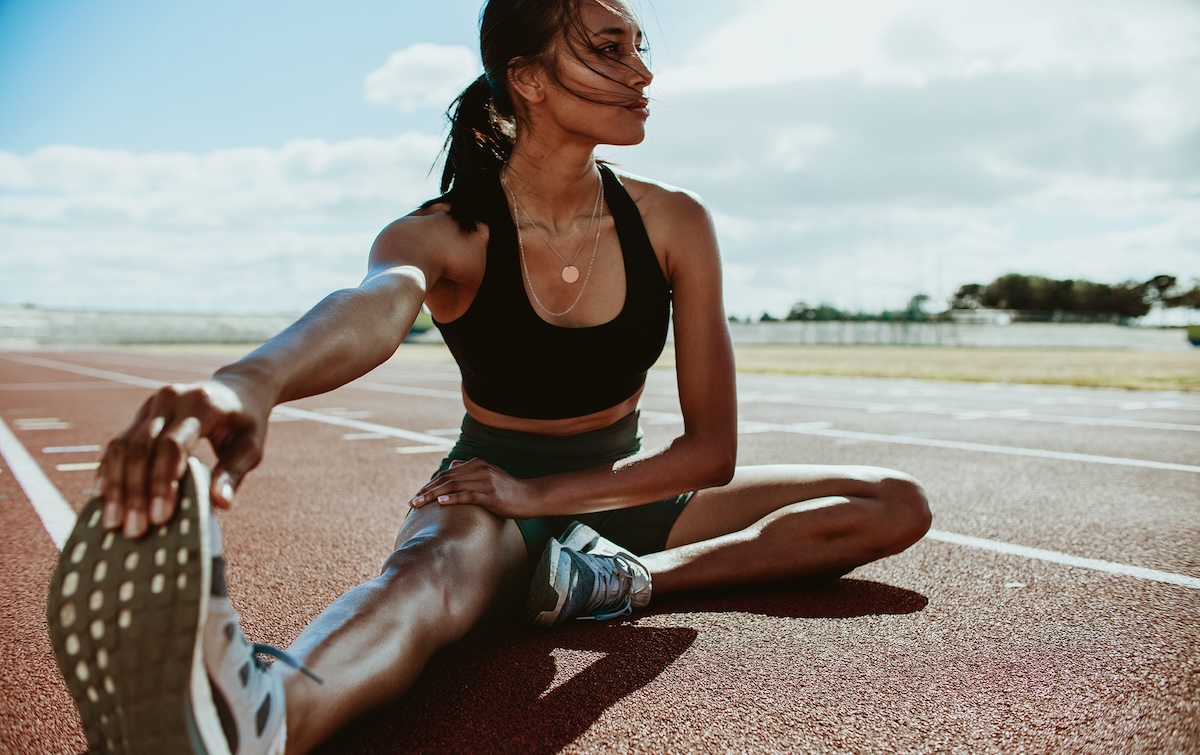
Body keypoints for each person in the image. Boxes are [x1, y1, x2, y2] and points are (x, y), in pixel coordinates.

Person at [47, 0, 932, 752]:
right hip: (487, 500)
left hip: (632, 497)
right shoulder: (445, 234)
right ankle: (265, 710)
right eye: (607, 48)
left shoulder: (675, 224)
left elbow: (712, 452)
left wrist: (572, 519)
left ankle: (619, 580)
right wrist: (253, 382)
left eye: (638, 48)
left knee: (894, 502)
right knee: (417, 590)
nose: (643, 74)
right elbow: (372, 307)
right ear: (530, 79)